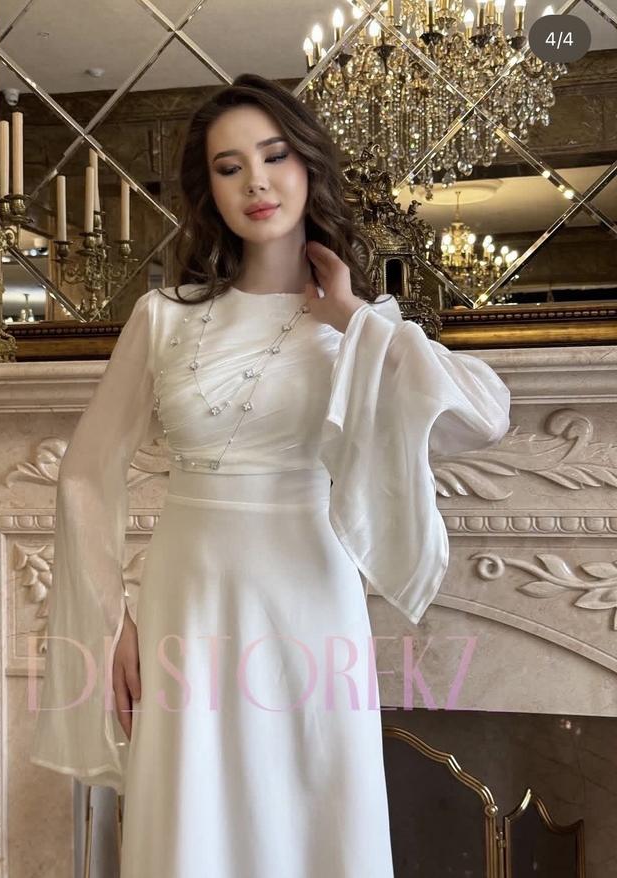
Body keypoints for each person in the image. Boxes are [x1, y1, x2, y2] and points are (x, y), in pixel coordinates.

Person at [30, 73, 511, 877]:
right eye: (229, 167)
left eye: (274, 155)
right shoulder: (164, 318)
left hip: (310, 597)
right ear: (209, 191)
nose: (255, 181)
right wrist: (112, 620)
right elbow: (84, 475)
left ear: (307, 165)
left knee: (311, 808)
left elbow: (483, 417)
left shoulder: (357, 330)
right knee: (191, 813)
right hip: (188, 596)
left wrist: (352, 314)